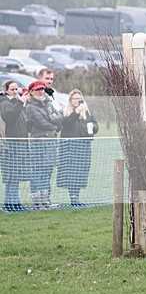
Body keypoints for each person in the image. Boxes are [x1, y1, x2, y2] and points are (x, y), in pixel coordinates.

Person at [57, 89, 98, 207]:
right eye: (75, 98)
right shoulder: (65, 111)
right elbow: (67, 123)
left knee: (80, 173)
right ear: (70, 100)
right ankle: (73, 198)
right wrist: (76, 112)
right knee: (71, 173)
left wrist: (93, 126)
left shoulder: (87, 112)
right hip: (69, 148)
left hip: (83, 147)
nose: (77, 101)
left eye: (79, 99)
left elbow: (96, 126)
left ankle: (77, 197)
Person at [26, 79, 63, 209]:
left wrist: (53, 120)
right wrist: (54, 123)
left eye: (42, 89)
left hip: (51, 143)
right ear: (31, 92)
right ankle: (37, 202)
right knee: (38, 172)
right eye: (38, 90)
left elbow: (59, 117)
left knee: (47, 172)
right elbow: (42, 123)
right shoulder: (30, 107)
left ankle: (46, 200)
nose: (41, 92)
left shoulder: (48, 103)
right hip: (39, 143)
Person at [1, 80, 29, 211]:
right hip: (10, 145)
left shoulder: (17, 102)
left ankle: (15, 203)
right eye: (12, 89)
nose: (15, 91)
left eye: (16, 89)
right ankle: (10, 204)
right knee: (11, 177)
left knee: (16, 177)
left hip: (20, 144)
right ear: (6, 90)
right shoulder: (4, 103)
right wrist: (21, 102)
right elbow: (10, 117)